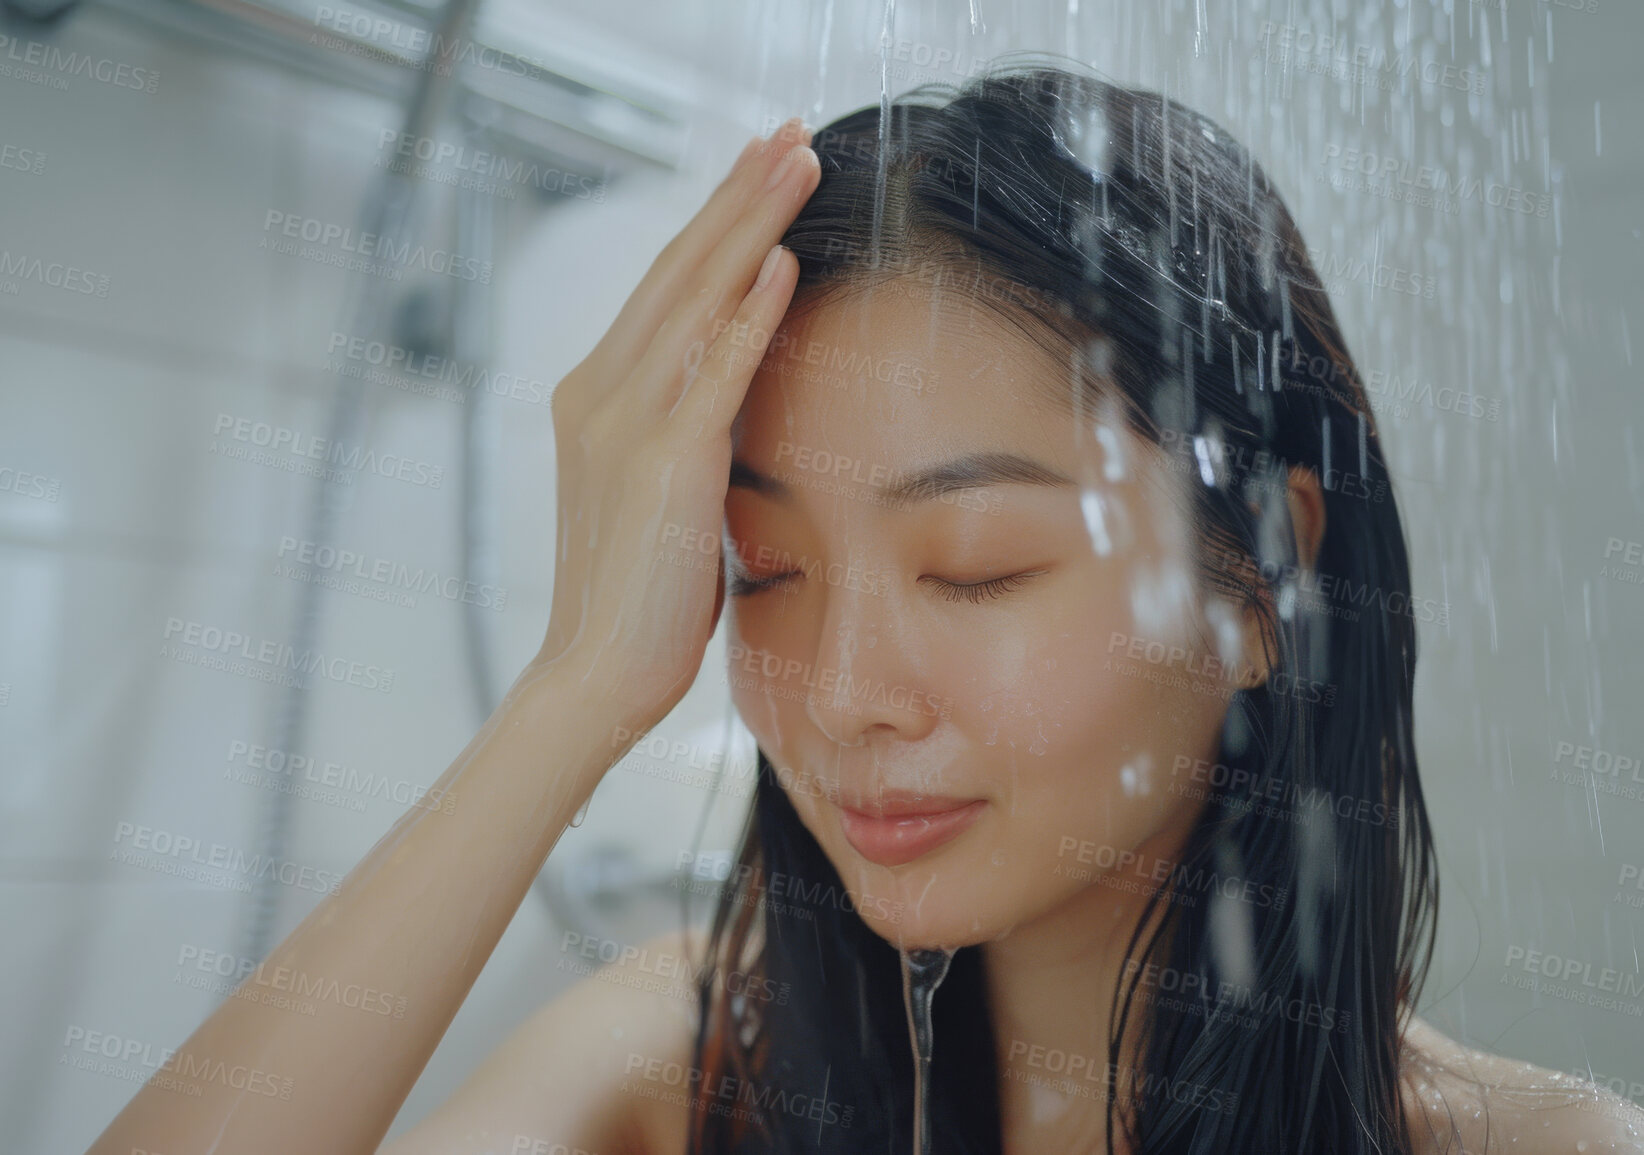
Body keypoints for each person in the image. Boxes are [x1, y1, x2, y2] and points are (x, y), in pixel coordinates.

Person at [89, 68, 1644, 1155]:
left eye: (975, 566)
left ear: (1263, 582)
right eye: (764, 572)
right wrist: (568, 694)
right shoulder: (688, 1067)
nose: (840, 695)